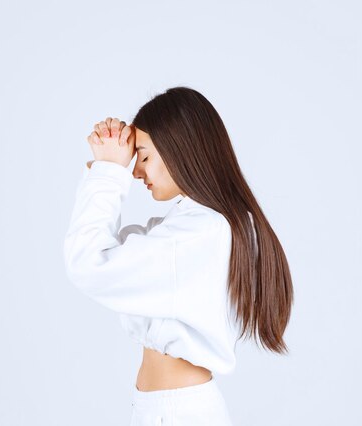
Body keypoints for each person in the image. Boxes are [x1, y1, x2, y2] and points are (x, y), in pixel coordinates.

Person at [63, 86, 293, 425]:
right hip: (170, 409)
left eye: (142, 156)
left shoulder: (199, 233)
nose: (136, 172)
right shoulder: (200, 227)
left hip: (175, 412)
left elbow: (89, 262)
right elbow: (112, 251)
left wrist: (109, 171)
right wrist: (107, 167)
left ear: (179, 149)